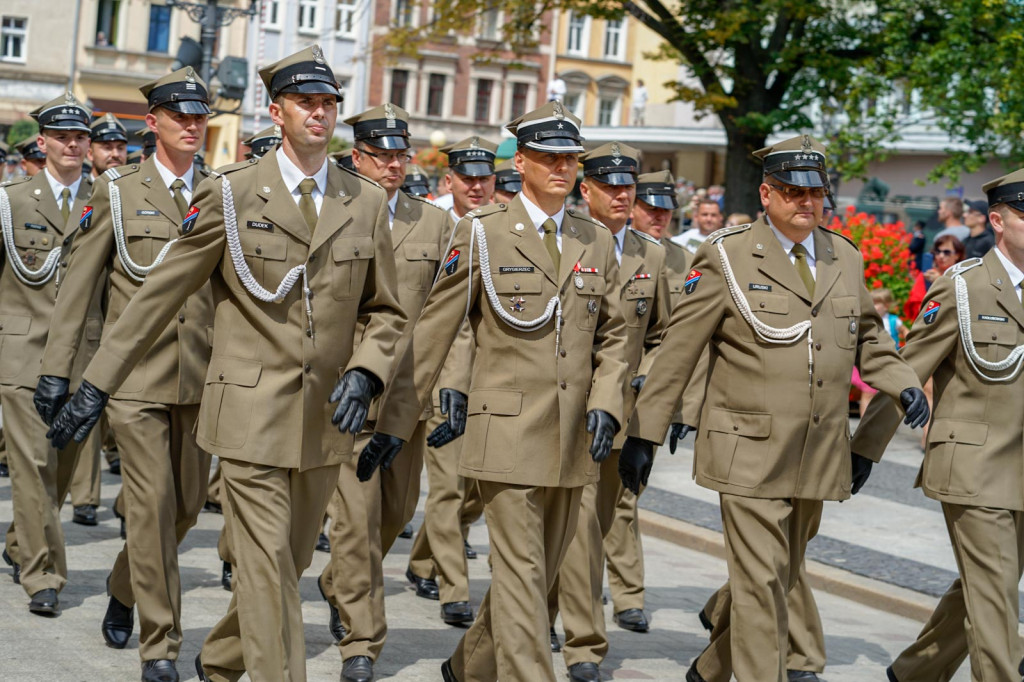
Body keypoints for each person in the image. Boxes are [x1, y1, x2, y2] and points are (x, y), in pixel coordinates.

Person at [44, 45, 406, 682]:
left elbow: (388, 311)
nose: (319, 113)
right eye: (305, 102)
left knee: (284, 569)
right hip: (247, 413)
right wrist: (95, 384)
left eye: (328, 104)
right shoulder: (233, 195)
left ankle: (219, 661)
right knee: (267, 572)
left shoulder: (365, 201)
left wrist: (368, 369)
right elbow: (160, 293)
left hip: (325, 421)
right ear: (277, 111)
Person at [617, 134, 929, 682]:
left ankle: (711, 670)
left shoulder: (843, 255)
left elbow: (870, 339)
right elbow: (679, 348)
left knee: (780, 573)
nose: (806, 202)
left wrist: (902, 383)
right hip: (748, 449)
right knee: (762, 582)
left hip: (816, 450)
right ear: (766, 193)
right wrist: (643, 432)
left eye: (815, 193)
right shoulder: (727, 254)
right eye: (791, 191)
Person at [359, 100, 629, 682]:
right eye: (548, 157)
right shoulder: (480, 233)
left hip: (574, 435)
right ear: (523, 162)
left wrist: (608, 399)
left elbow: (615, 336)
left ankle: (467, 666)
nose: (562, 168)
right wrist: (396, 420)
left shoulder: (595, 240)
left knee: (543, 573)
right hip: (504, 429)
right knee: (524, 574)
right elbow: (438, 331)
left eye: (569, 158)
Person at [34, 69, 217, 682]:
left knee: (187, 509)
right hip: (133, 380)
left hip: (201, 379)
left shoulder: (224, 192)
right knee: (150, 506)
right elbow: (79, 290)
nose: (192, 126)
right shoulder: (116, 192)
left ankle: (125, 582)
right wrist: (58, 373)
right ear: (153, 122)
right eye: (180, 116)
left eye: (200, 117)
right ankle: (160, 645)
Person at [853, 167, 1024, 682]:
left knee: (985, 585)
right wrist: (865, 448)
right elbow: (908, 367)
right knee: (995, 595)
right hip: (972, 465)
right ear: (997, 220)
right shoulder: (964, 288)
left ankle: (913, 672)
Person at [318, 102, 457, 682]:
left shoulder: (435, 224)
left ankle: (337, 584)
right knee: (354, 522)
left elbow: (457, 317)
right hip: (348, 396)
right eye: (384, 156)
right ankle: (362, 642)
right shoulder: (334, 211)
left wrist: (452, 385)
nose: (396, 165)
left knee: (394, 514)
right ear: (359, 157)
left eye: (402, 155)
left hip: (410, 397)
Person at [546, 143, 670, 682]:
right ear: (586, 189)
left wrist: (653, 384)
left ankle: (522, 624)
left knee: (590, 529)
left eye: (629, 188)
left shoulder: (653, 254)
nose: (622, 196)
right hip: (563, 410)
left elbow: (667, 334)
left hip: (622, 416)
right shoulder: (564, 239)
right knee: (575, 533)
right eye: (610, 187)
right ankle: (584, 645)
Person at [0, 92, 105, 617]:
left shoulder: (106, 199)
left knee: (61, 469)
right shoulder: (12, 200)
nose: (72, 144)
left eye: (80, 136)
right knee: (33, 466)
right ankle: (42, 574)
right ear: (42, 143)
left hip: (82, 356)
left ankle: (21, 540)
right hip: (23, 353)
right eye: (62, 136)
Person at [404, 137, 496, 618]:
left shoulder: (503, 228)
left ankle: (422, 560)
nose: (477, 186)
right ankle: (454, 588)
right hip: (442, 376)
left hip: (493, 380)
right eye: (467, 178)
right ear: (450, 181)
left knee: (477, 492)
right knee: (448, 487)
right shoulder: (430, 224)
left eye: (484, 178)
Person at [63, 111, 131, 529]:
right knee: (85, 402)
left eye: (120, 146)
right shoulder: (89, 193)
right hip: (92, 314)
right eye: (106, 146)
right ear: (92, 151)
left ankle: (128, 496)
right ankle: (85, 496)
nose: (114, 152)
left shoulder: (134, 190)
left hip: (125, 315)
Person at [904, 234, 965, 320]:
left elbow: (963, 305)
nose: (941, 256)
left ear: (957, 255)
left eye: (946, 252)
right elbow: (917, 309)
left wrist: (940, 281)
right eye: (938, 251)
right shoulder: (927, 275)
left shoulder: (964, 276)